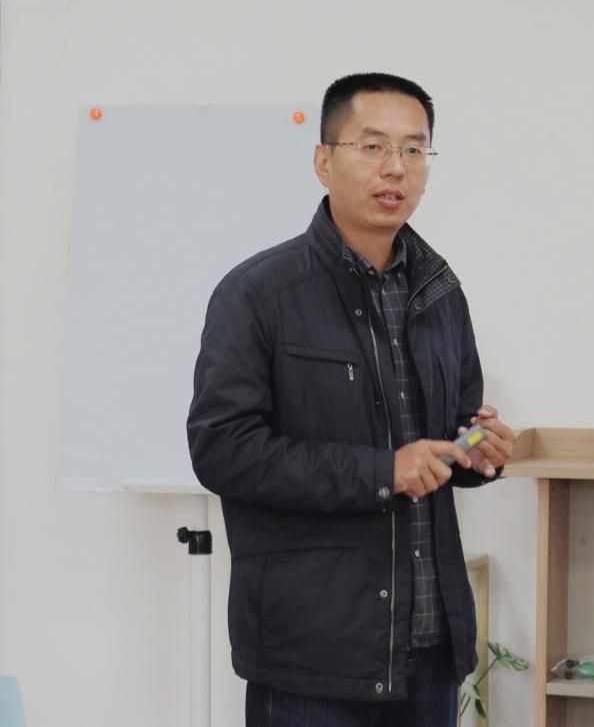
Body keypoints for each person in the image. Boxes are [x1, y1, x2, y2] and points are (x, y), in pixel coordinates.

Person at [187, 72, 515, 727]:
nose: (396, 167)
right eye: (373, 146)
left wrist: (477, 451)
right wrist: (381, 471)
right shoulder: (257, 294)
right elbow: (222, 450)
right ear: (323, 161)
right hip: (313, 652)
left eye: (414, 149)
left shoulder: (440, 291)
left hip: (429, 644)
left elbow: (454, 426)